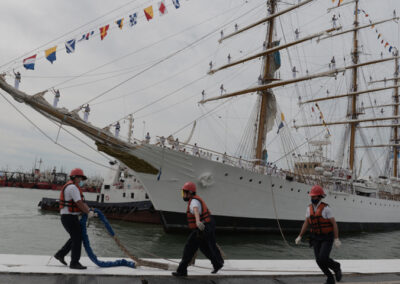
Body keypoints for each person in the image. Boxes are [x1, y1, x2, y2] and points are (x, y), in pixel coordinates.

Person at [172, 182, 224, 277]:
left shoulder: (193, 202)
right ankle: (218, 264)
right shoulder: (194, 200)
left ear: (190, 193)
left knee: (189, 247)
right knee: (205, 247)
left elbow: (195, 210)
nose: (183, 195)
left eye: (184, 192)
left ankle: (182, 271)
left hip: (202, 227)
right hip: (208, 224)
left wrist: (197, 221)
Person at [295, 185, 342, 284]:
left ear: (320, 196)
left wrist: (336, 239)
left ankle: (336, 267)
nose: (312, 198)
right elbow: (306, 222)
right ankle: (330, 278)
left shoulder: (326, 208)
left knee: (323, 258)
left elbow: (334, 224)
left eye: (314, 196)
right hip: (315, 237)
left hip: (327, 237)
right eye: (311, 196)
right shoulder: (309, 208)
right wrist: (300, 236)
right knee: (318, 261)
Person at [54, 168, 96, 270]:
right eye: (80, 178)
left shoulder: (73, 187)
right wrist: (88, 212)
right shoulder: (72, 188)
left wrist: (89, 210)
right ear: (75, 177)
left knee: (75, 237)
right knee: (77, 238)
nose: (81, 180)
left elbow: (80, 203)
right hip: (69, 217)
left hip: (69, 217)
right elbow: (79, 203)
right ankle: (74, 263)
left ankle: (60, 254)